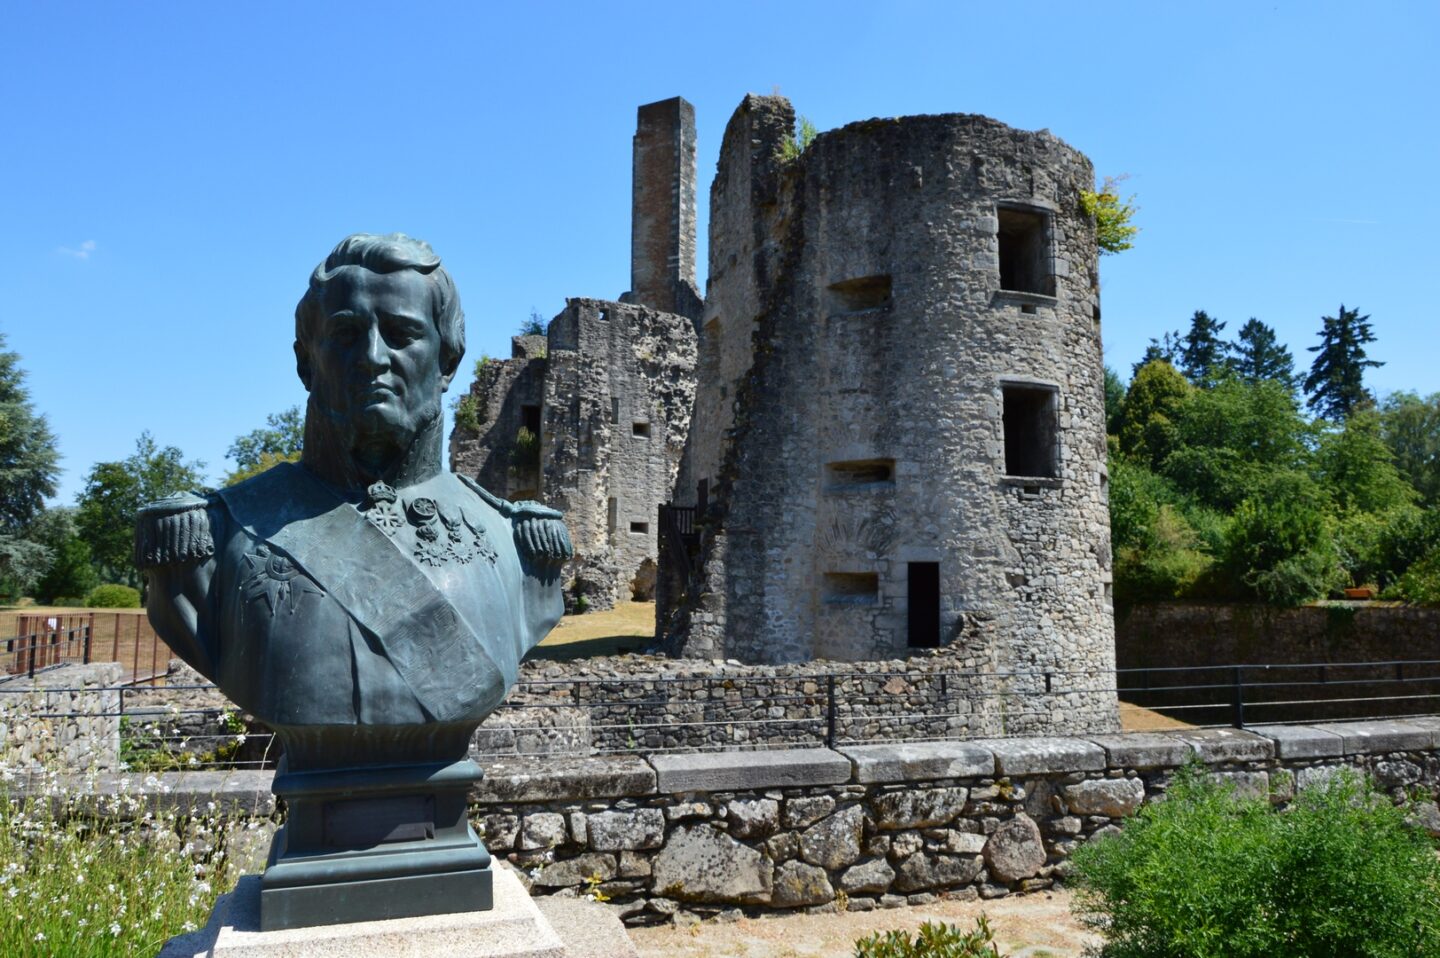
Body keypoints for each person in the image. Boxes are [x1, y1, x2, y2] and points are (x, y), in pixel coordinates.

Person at [136, 233, 571, 770]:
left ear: (448, 360)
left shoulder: (519, 543)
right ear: (305, 362)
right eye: (345, 334)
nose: (372, 357)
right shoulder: (215, 539)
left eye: (402, 334)